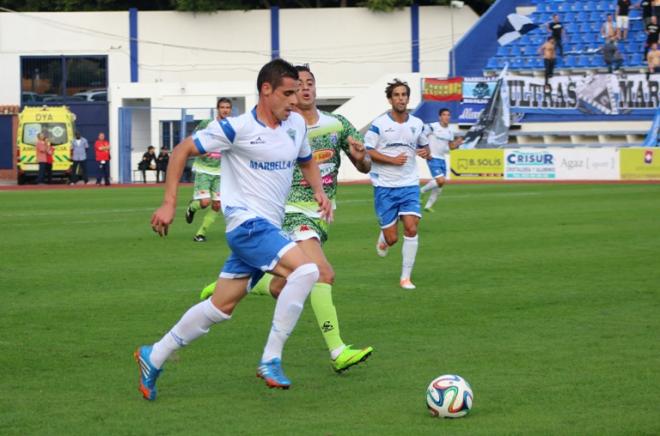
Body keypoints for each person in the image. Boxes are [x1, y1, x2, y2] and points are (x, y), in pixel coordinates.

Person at [134, 59, 332, 401]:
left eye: (297, 93)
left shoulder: (296, 125)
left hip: (267, 227)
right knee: (308, 270)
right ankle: (271, 358)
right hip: (246, 225)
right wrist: (169, 203)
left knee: (220, 307)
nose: (294, 100)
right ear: (265, 90)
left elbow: (306, 160)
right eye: (287, 93)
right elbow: (182, 150)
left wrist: (319, 190)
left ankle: (155, 355)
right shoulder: (235, 128)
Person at [199, 65, 374, 372]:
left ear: (316, 89)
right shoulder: (282, 126)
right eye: (296, 86)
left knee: (284, 286)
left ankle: (238, 284)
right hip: (289, 211)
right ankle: (337, 351)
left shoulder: (338, 124)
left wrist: (361, 157)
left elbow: (365, 165)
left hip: (319, 213)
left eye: (309, 84)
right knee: (322, 272)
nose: (303, 90)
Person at [366, 79, 430, 290]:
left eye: (404, 95)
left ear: (408, 98)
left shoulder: (417, 123)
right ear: (390, 99)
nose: (401, 98)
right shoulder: (379, 124)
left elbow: (425, 147)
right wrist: (392, 160)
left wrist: (425, 153)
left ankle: (405, 277)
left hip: (409, 184)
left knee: (411, 228)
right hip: (385, 186)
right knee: (392, 239)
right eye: (397, 95)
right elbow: (368, 150)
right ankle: (384, 238)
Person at [184, 98, 232, 242]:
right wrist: (199, 151)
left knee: (217, 205)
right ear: (217, 109)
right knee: (204, 203)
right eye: (222, 107)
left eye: (228, 107)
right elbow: (192, 139)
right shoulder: (208, 124)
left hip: (221, 171)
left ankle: (200, 233)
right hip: (204, 169)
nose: (225, 110)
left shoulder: (233, 126)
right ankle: (192, 207)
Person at [420, 108, 463, 213]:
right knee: (441, 180)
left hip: (442, 159)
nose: (446, 117)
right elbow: (421, 136)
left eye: (448, 115)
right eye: (444, 115)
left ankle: (428, 206)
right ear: (440, 117)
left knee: (440, 184)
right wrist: (425, 150)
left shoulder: (450, 132)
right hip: (432, 157)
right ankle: (421, 191)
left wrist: (457, 144)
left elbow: (451, 147)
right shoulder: (432, 126)